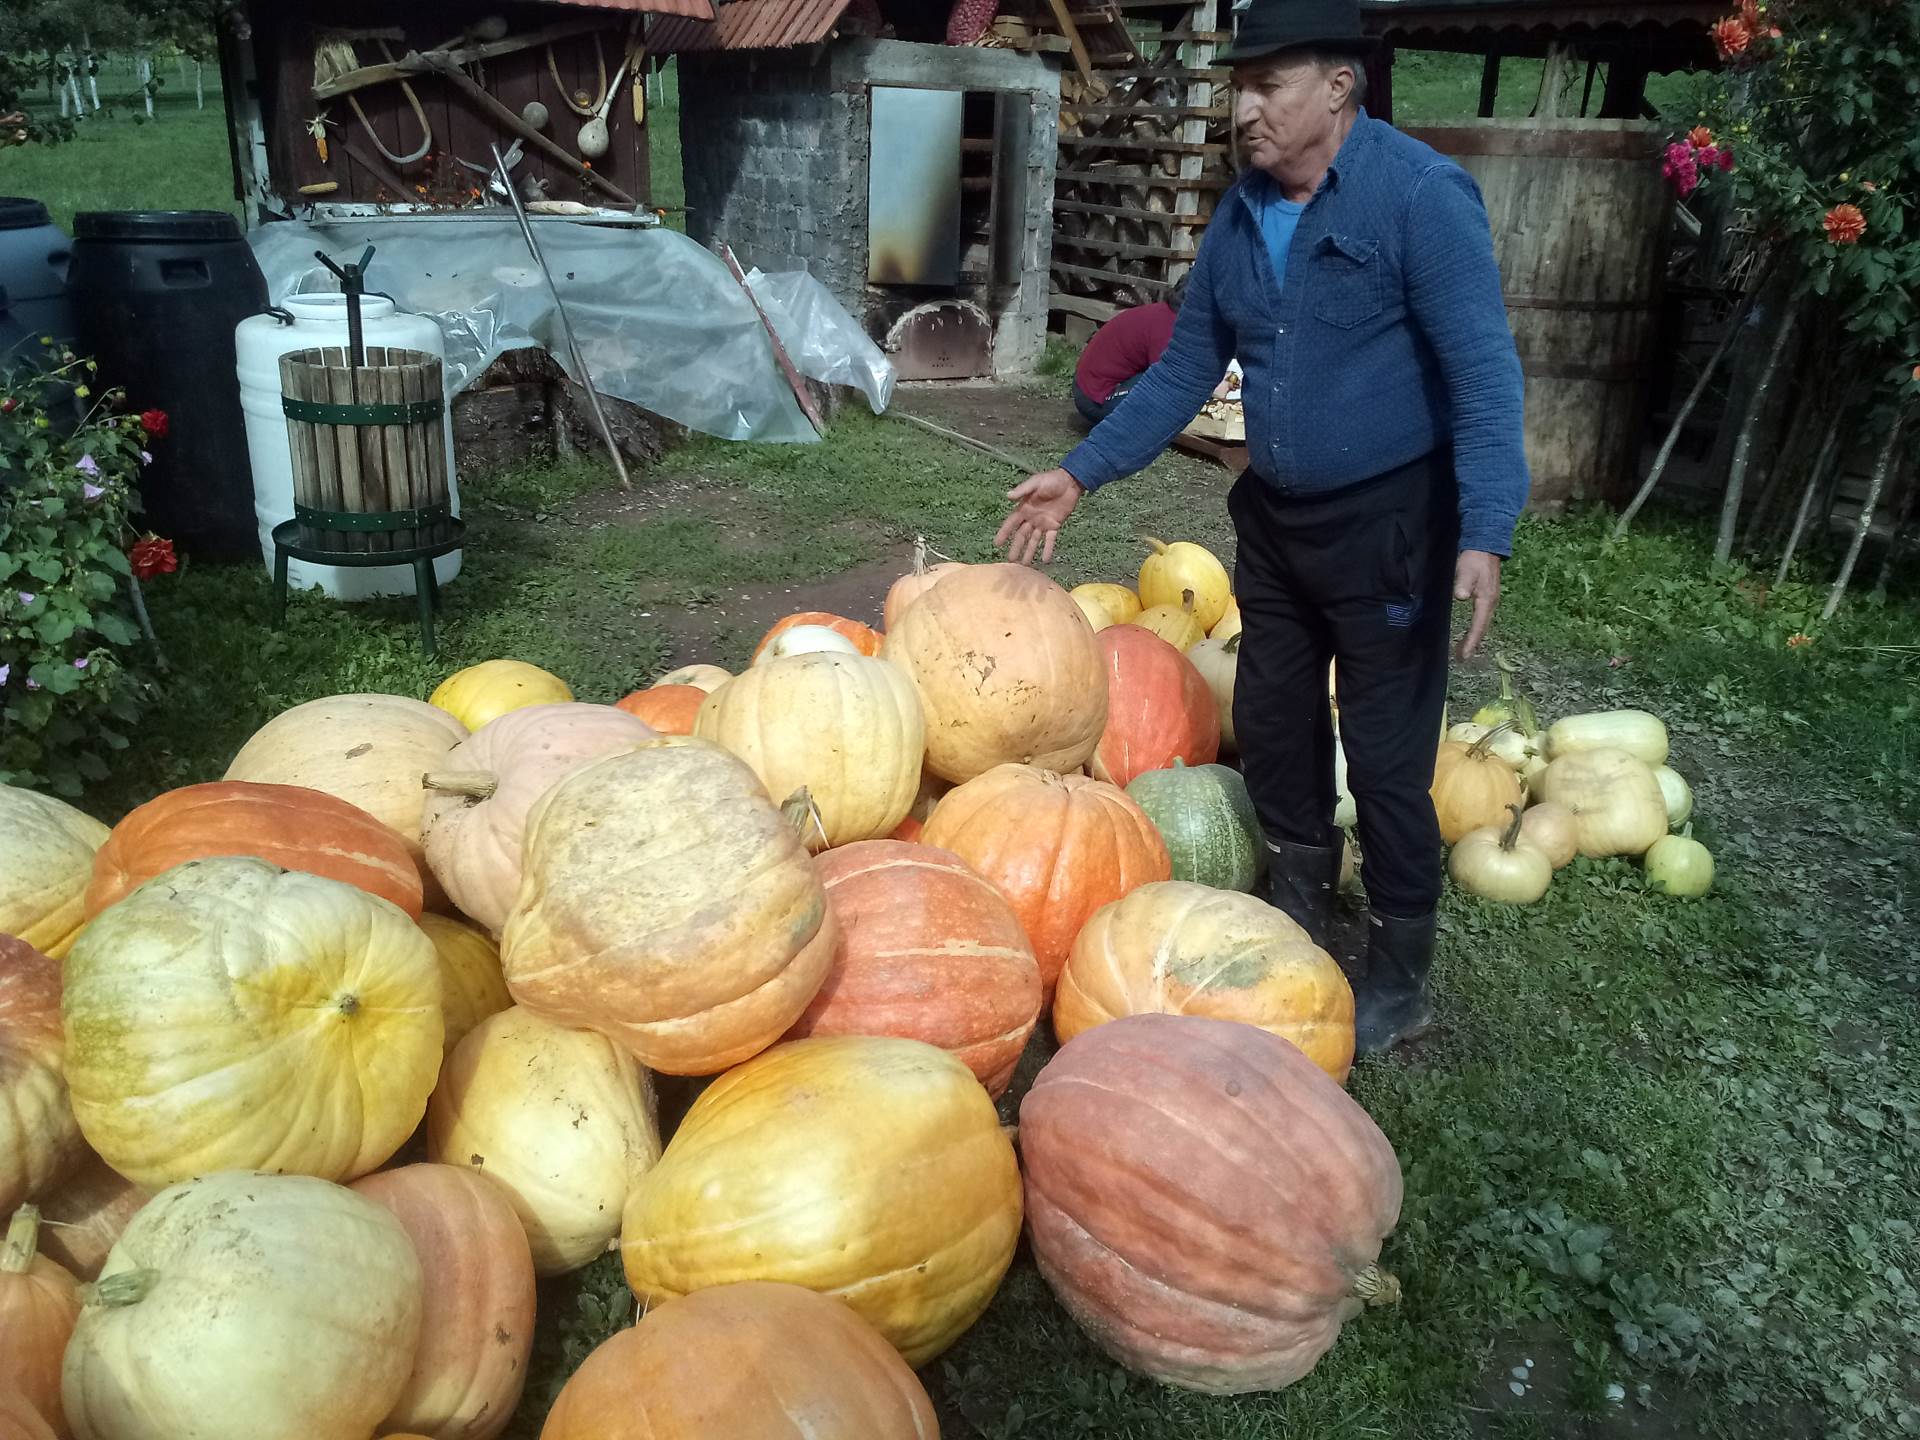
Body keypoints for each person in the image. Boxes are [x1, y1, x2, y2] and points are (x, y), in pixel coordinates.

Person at [994, 0, 1529, 1055]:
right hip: (1276, 530)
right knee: (1278, 729)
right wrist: (1081, 472)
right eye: (1238, 86)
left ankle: (1400, 971)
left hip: (1392, 531)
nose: (1242, 108)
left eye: (1265, 85)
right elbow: (1188, 367)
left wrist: (1485, 528)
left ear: (1339, 85)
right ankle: (1301, 909)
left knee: (1382, 759)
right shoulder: (1240, 214)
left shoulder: (1419, 197)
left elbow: (1481, 371)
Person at [1072, 276, 1236, 427]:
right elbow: (1171, 381)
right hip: (1095, 398)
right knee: (1167, 394)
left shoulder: (1167, 315)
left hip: (1096, 386)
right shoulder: (1169, 327)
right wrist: (1212, 389)